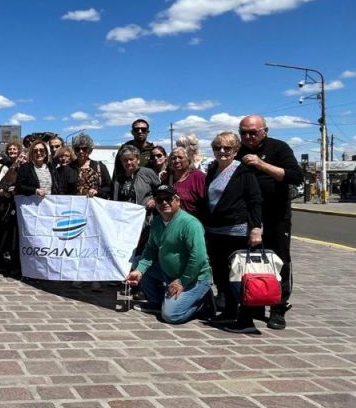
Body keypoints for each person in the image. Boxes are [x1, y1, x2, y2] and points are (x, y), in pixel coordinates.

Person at [237, 114, 303, 330]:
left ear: (265, 130)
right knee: (250, 260)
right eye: (243, 132)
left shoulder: (279, 148)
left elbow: (296, 176)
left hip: (276, 215)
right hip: (247, 215)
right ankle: (254, 301)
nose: (247, 136)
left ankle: (278, 307)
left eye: (252, 132)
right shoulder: (238, 150)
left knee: (278, 260)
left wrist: (262, 164)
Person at [203, 131, 264, 334]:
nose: (222, 151)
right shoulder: (212, 170)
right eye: (217, 147)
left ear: (236, 150)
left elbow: (255, 200)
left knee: (239, 276)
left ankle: (246, 319)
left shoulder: (243, 171)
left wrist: (255, 228)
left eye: (227, 148)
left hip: (237, 231)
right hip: (214, 231)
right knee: (221, 275)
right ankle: (229, 312)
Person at [127, 184, 214, 324]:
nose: (164, 203)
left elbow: (198, 257)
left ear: (177, 200)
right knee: (138, 263)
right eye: (159, 200)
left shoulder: (190, 224)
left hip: (194, 278)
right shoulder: (156, 222)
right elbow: (150, 249)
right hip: (168, 273)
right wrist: (139, 271)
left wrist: (182, 281)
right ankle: (156, 301)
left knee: (171, 316)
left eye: (168, 198)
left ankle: (203, 303)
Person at [112, 145, 161, 268]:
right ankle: (128, 279)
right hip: (126, 223)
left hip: (146, 222)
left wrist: (155, 200)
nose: (128, 162)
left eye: (131, 159)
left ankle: (144, 280)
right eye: (125, 160)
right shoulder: (119, 178)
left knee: (143, 250)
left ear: (138, 159)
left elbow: (161, 190)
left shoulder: (147, 173)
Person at [165, 146, 207, 216]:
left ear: (188, 160)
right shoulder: (167, 180)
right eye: (173, 158)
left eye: (180, 157)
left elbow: (206, 202)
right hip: (174, 221)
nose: (177, 160)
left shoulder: (198, 177)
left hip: (194, 221)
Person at [113, 119, 156, 185]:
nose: (140, 131)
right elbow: (117, 170)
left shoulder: (152, 150)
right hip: (126, 187)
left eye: (143, 129)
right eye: (137, 129)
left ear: (148, 132)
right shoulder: (124, 149)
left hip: (147, 188)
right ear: (132, 132)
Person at [67, 134, 111, 199]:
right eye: (77, 149)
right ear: (74, 151)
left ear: (90, 150)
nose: (81, 151)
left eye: (84, 149)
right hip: (75, 206)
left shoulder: (100, 166)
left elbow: (109, 186)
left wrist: (97, 191)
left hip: (95, 206)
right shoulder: (69, 168)